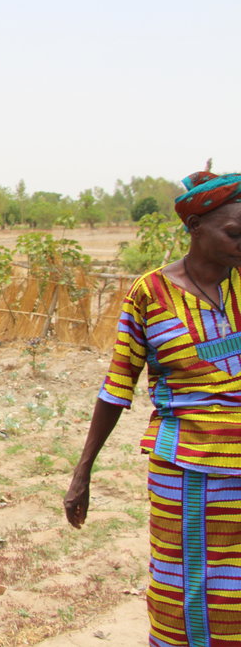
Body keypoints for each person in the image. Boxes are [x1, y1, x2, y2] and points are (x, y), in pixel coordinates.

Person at [64, 170, 241, 647]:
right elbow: (117, 386)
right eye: (233, 233)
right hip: (186, 470)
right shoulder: (150, 294)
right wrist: (83, 472)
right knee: (187, 580)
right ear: (195, 228)